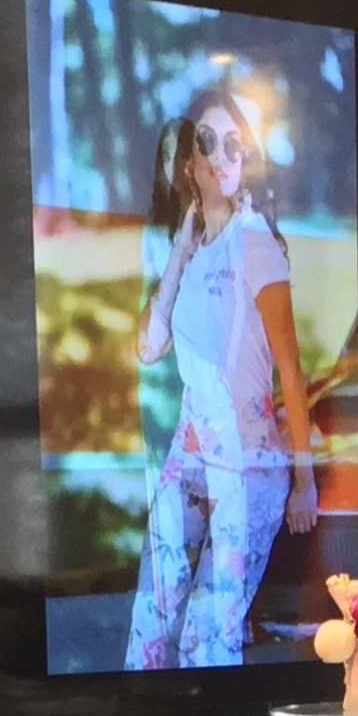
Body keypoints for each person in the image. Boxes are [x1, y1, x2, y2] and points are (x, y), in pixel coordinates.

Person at [126, 80, 320, 668]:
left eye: (234, 145)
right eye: (207, 143)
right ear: (189, 163)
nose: (220, 157)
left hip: (248, 462)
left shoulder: (255, 241)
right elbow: (148, 348)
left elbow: (290, 365)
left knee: (205, 641)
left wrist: (304, 480)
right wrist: (180, 253)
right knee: (150, 620)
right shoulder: (188, 247)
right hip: (191, 453)